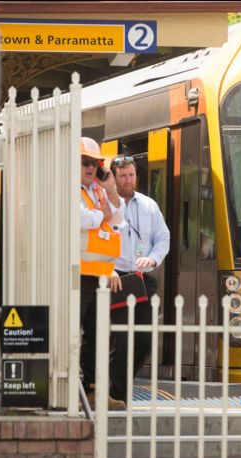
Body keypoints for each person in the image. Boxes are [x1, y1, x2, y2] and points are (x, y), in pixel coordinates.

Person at [108, 154, 170, 402]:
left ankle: (118, 385)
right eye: (122, 175)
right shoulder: (107, 205)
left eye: (131, 175)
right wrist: (107, 268)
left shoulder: (149, 205)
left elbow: (162, 238)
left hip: (142, 279)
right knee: (120, 340)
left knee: (144, 339)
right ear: (114, 177)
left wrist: (153, 259)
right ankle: (117, 394)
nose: (128, 180)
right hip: (116, 278)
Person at [79, 137, 126, 410]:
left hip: (100, 273)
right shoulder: (74, 190)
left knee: (98, 334)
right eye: (85, 162)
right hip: (79, 272)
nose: (90, 168)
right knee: (77, 332)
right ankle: (78, 390)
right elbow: (84, 219)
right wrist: (103, 214)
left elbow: (117, 217)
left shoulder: (98, 191)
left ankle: (95, 390)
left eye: (95, 163)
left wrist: (111, 191)